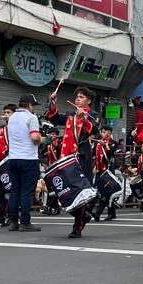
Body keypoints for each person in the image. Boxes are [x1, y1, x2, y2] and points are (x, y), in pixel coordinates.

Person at [46, 86, 98, 238]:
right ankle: (82, 216)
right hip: (66, 157)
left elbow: (94, 130)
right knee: (67, 191)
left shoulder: (92, 114)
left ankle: (78, 226)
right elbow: (54, 118)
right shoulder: (70, 113)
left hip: (81, 157)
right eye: (77, 96)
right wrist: (53, 102)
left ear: (88, 100)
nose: (77, 98)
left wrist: (83, 118)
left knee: (79, 192)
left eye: (81, 97)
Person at [5, 94, 42, 233]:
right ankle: (25, 222)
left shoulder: (12, 117)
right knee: (26, 192)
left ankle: (13, 221)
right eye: (33, 106)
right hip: (28, 159)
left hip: (13, 158)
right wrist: (42, 139)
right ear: (30, 105)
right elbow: (34, 137)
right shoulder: (31, 118)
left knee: (14, 190)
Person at [91, 125, 120, 221]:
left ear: (109, 133)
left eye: (104, 132)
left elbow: (112, 151)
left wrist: (105, 145)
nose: (102, 134)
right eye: (101, 132)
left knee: (106, 192)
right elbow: (93, 154)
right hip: (99, 169)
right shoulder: (97, 143)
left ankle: (98, 212)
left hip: (108, 170)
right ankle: (112, 213)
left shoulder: (113, 143)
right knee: (101, 190)